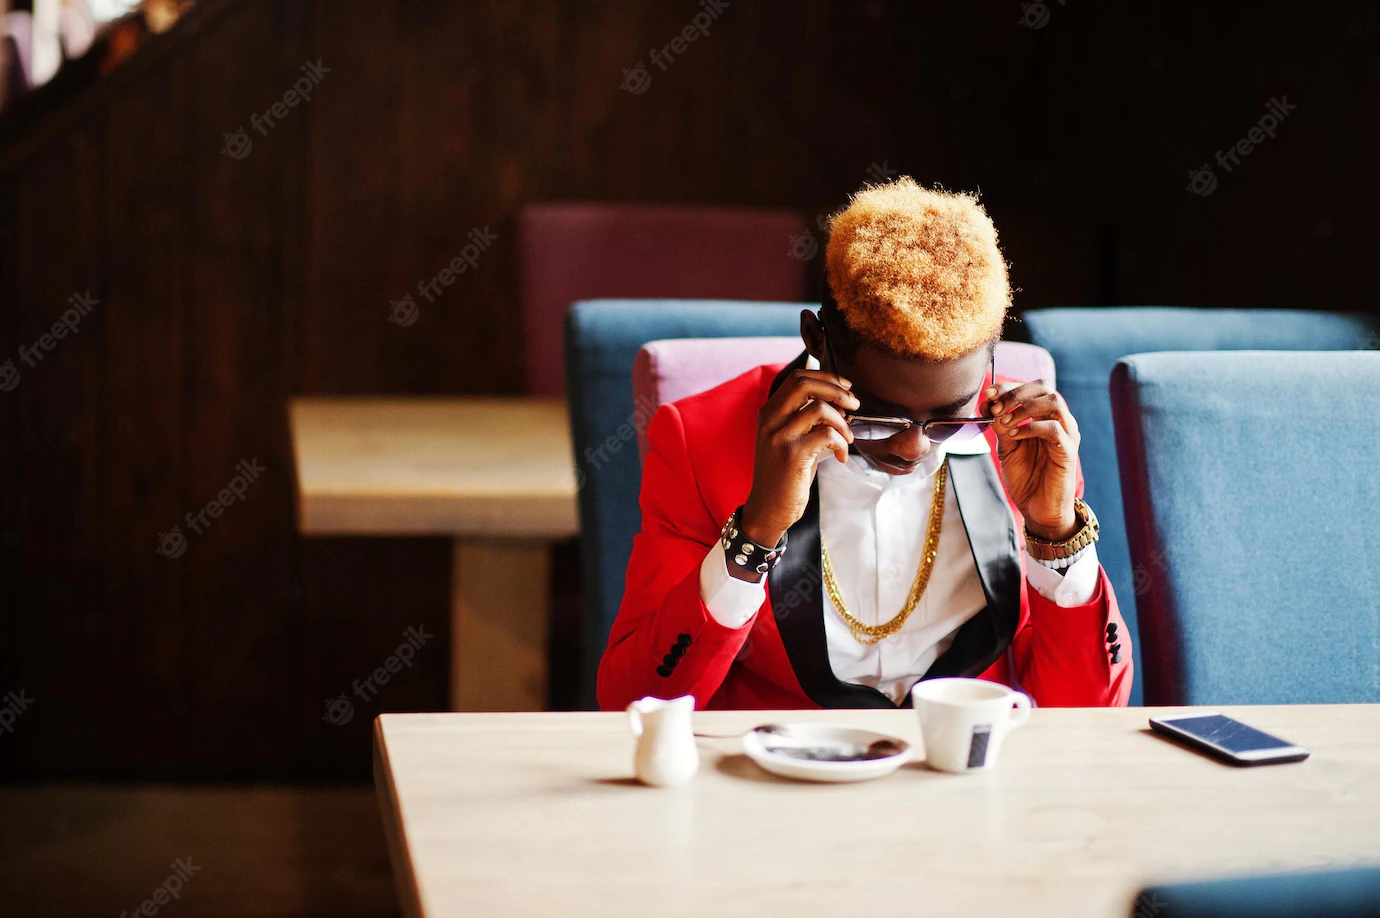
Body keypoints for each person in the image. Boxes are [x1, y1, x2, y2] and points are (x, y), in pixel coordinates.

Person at [598, 177, 1132, 711]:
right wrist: (755, 535)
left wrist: (1056, 533)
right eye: (878, 417)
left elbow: (1086, 712)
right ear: (816, 341)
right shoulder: (698, 441)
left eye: (947, 421)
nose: (912, 448)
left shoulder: (1020, 439)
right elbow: (633, 701)